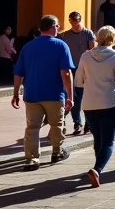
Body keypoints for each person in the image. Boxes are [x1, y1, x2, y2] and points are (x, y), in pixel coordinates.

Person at [12, 15, 74, 171]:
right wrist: (70, 96)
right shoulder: (61, 46)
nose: (58, 29)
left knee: (32, 128)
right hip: (54, 94)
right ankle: (56, 152)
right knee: (57, 124)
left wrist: (15, 93)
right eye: (58, 26)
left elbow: (18, 73)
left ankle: (32, 159)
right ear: (53, 26)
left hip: (32, 94)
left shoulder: (28, 47)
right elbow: (65, 73)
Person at [75, 25, 115, 187]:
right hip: (110, 101)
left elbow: (78, 80)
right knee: (108, 141)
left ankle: (97, 167)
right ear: (113, 38)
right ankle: (97, 169)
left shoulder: (85, 56)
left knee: (98, 137)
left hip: (89, 103)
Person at [59, 12, 96, 136]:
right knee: (74, 96)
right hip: (71, 69)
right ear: (69, 21)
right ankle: (77, 123)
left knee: (86, 96)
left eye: (77, 20)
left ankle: (88, 124)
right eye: (73, 20)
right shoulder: (65, 35)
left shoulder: (88, 33)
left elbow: (92, 50)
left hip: (84, 69)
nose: (75, 23)